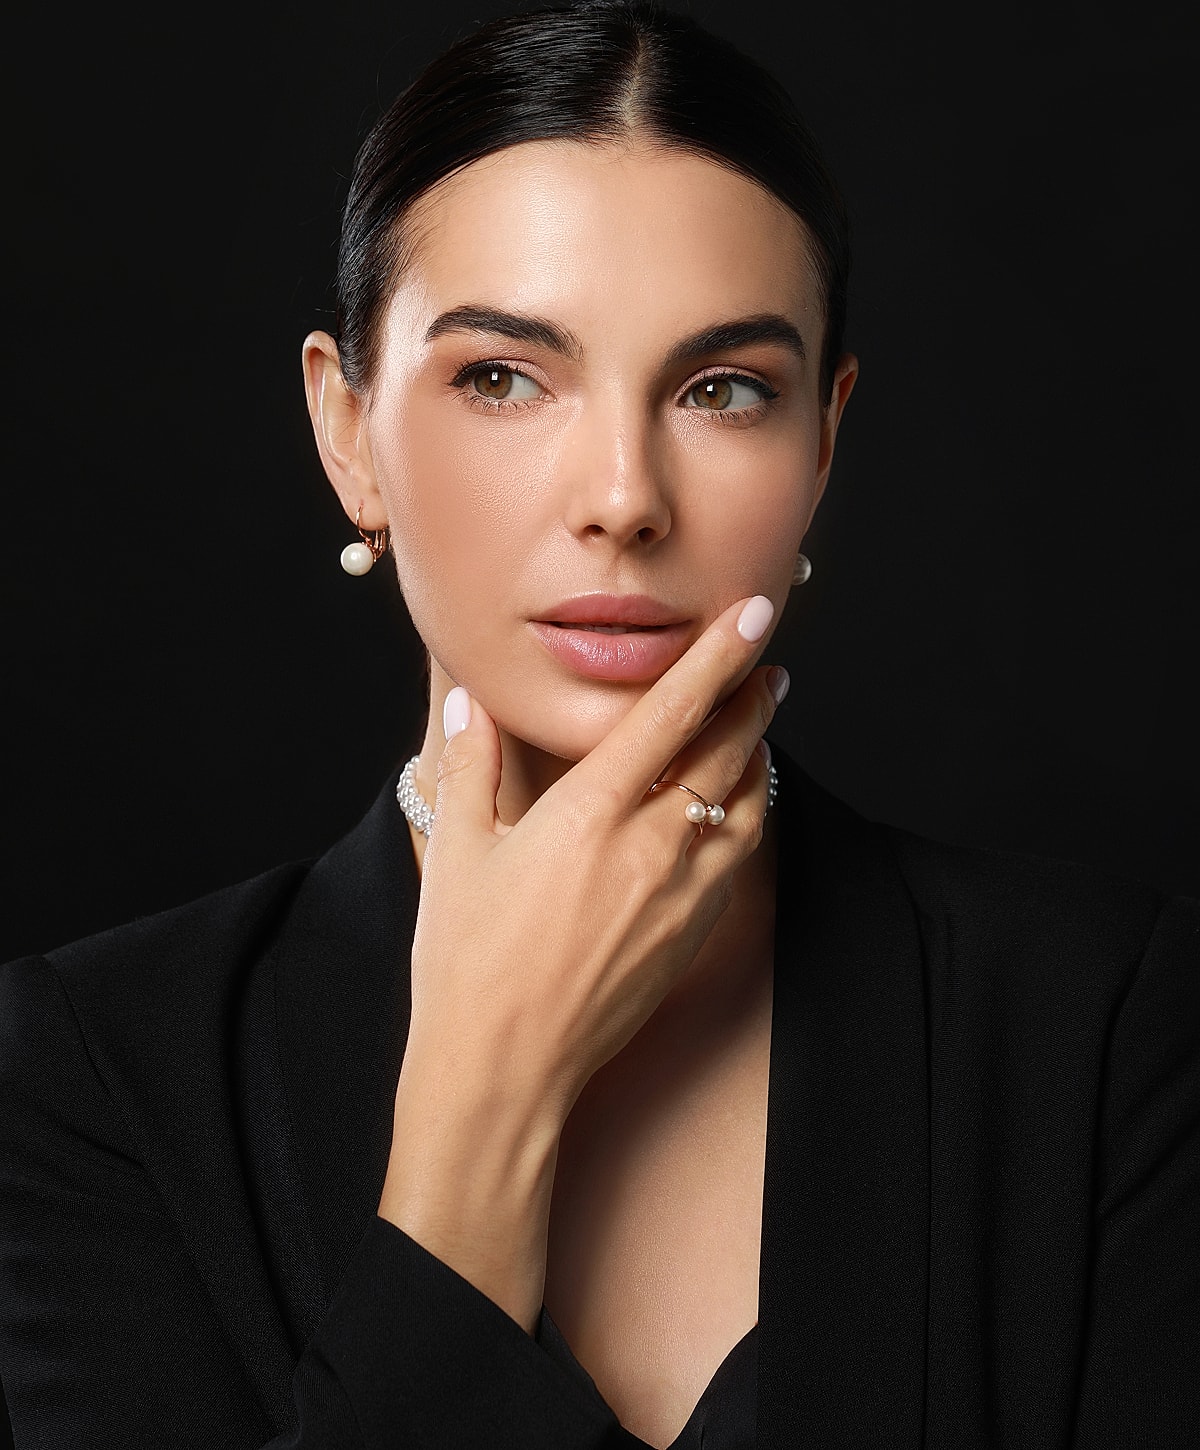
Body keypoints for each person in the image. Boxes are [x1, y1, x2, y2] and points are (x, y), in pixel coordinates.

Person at [1, 2, 1196, 1446]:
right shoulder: (96, 1071)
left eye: (723, 389)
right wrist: (480, 1106)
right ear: (345, 428)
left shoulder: (1112, 1021)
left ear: (825, 438)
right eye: (502, 375)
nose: (623, 494)